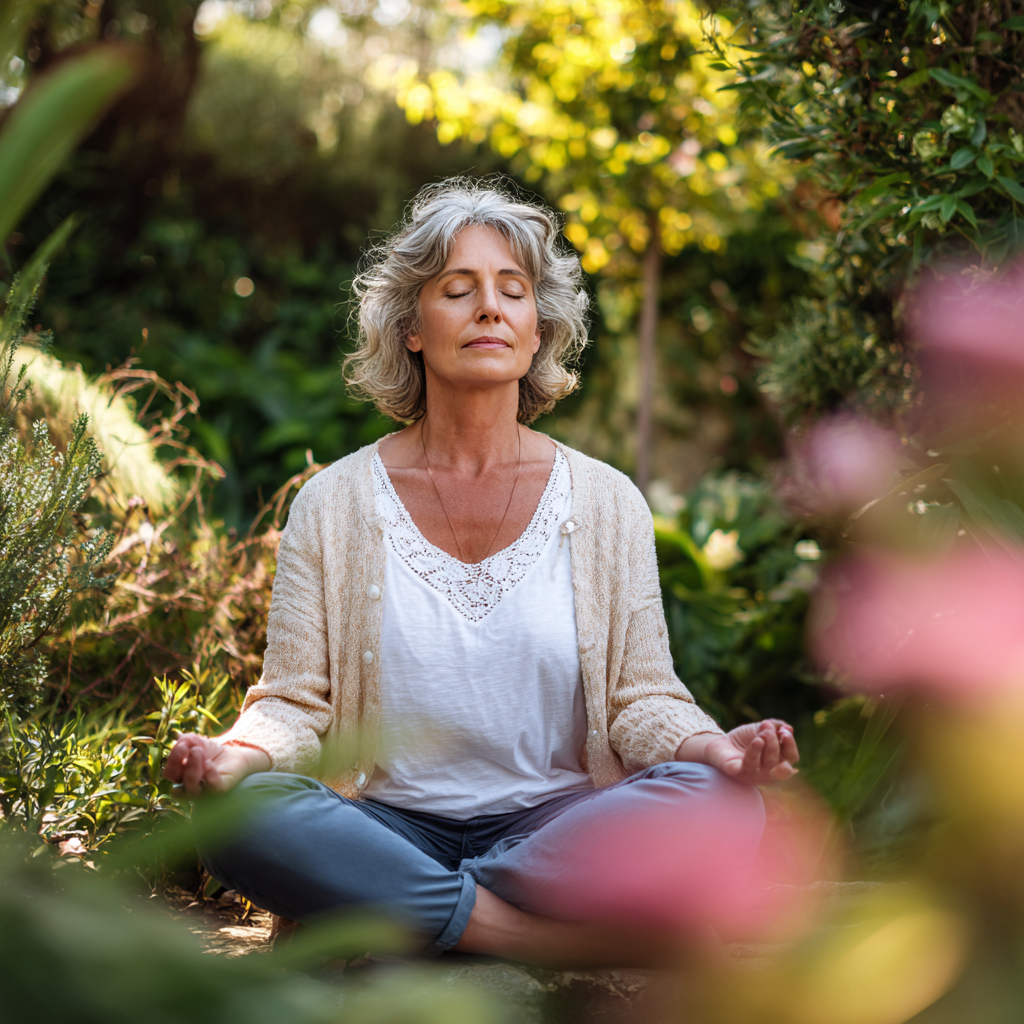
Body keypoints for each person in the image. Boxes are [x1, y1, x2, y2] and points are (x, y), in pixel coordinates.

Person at [164, 178, 799, 967]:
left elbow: (642, 697)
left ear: (538, 333)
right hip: (385, 821)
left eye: (514, 292)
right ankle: (519, 932)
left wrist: (716, 750)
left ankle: (402, 904)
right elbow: (296, 703)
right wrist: (240, 754)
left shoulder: (606, 502)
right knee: (242, 812)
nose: (490, 309)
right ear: (411, 331)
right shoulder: (332, 503)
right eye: (457, 291)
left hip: (557, 827)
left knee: (720, 805)